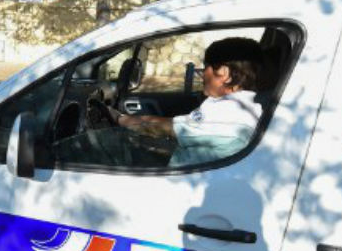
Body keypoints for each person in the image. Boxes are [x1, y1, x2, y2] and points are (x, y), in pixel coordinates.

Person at [109, 37, 264, 167]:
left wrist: (119, 118)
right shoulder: (250, 105)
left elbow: (162, 127)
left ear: (224, 73)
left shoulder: (226, 111)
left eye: (206, 68)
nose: (203, 75)